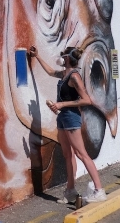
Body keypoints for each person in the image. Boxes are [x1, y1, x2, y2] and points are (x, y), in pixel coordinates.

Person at [28, 45, 107, 204]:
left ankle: (99, 190)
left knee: (81, 153)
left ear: (68, 58)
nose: (61, 57)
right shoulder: (65, 75)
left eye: (63, 55)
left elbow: (86, 100)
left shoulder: (74, 76)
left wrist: (61, 105)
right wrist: (37, 56)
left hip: (71, 117)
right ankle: (70, 191)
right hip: (62, 117)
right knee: (67, 154)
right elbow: (50, 72)